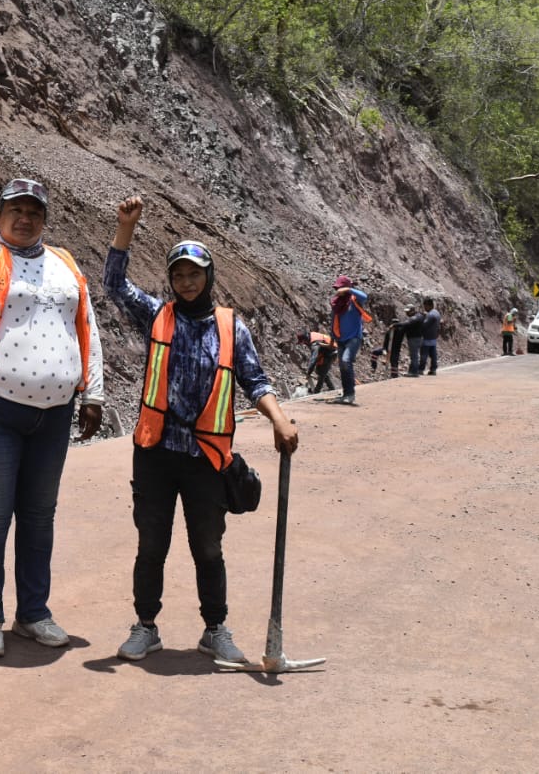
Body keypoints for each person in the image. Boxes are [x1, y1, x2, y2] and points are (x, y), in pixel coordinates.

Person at [104, 196, 299, 664]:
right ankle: (145, 625)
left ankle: (215, 629)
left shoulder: (233, 327)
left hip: (207, 457)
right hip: (155, 451)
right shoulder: (157, 315)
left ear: (208, 277)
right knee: (152, 544)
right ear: (170, 280)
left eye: (194, 274)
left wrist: (278, 417)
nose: (186, 283)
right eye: (178, 275)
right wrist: (125, 229)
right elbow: (114, 286)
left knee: (207, 548)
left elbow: (254, 380)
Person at [0, 146, 105, 658]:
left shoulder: (64, 263)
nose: (24, 218)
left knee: (40, 515)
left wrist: (94, 391)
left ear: (44, 220)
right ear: (0, 216)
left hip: (55, 413)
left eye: (34, 212)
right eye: (15, 209)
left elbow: (87, 324)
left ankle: (33, 612)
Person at [329, 275, 371, 404]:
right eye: (337, 288)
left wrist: (349, 290)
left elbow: (365, 296)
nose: (338, 290)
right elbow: (333, 320)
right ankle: (346, 394)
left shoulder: (354, 300)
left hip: (353, 338)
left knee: (346, 361)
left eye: (340, 288)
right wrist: (332, 338)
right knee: (342, 365)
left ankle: (350, 394)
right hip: (341, 339)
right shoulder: (336, 303)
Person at [297, 329, 337, 393]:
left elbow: (313, 359)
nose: (304, 344)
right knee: (318, 370)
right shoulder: (311, 335)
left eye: (303, 342)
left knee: (322, 371)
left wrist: (309, 372)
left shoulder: (314, 345)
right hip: (325, 353)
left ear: (305, 340)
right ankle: (332, 388)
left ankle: (317, 391)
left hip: (331, 353)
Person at [399, 303, 425, 376]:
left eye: (408, 311)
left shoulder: (415, 318)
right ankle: (412, 371)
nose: (406, 313)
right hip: (418, 338)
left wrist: (396, 325)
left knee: (414, 356)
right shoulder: (419, 316)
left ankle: (414, 372)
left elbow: (406, 323)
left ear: (413, 311)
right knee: (414, 355)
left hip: (414, 338)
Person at [421, 297, 442, 374]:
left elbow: (424, 325)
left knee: (424, 355)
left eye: (425, 306)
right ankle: (433, 369)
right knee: (433, 355)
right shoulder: (437, 313)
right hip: (434, 337)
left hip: (427, 337)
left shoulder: (430, 315)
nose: (424, 308)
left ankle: (421, 369)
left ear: (429, 305)